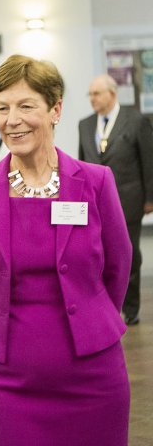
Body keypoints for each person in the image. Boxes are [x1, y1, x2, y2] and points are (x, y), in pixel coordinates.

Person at [0, 55, 132, 446]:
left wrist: (93, 320)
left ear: (55, 109)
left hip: (93, 376)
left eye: (26, 106)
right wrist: (3, 324)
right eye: (2, 108)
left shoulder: (95, 181)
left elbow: (118, 267)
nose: (12, 120)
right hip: (7, 382)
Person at [78, 74, 153, 326]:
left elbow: (149, 162)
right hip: (94, 203)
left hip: (128, 200)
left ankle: (130, 308)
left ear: (112, 93)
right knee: (97, 255)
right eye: (90, 94)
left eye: (96, 94)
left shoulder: (136, 121)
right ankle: (105, 306)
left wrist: (150, 198)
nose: (92, 99)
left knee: (127, 254)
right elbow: (81, 166)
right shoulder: (85, 125)